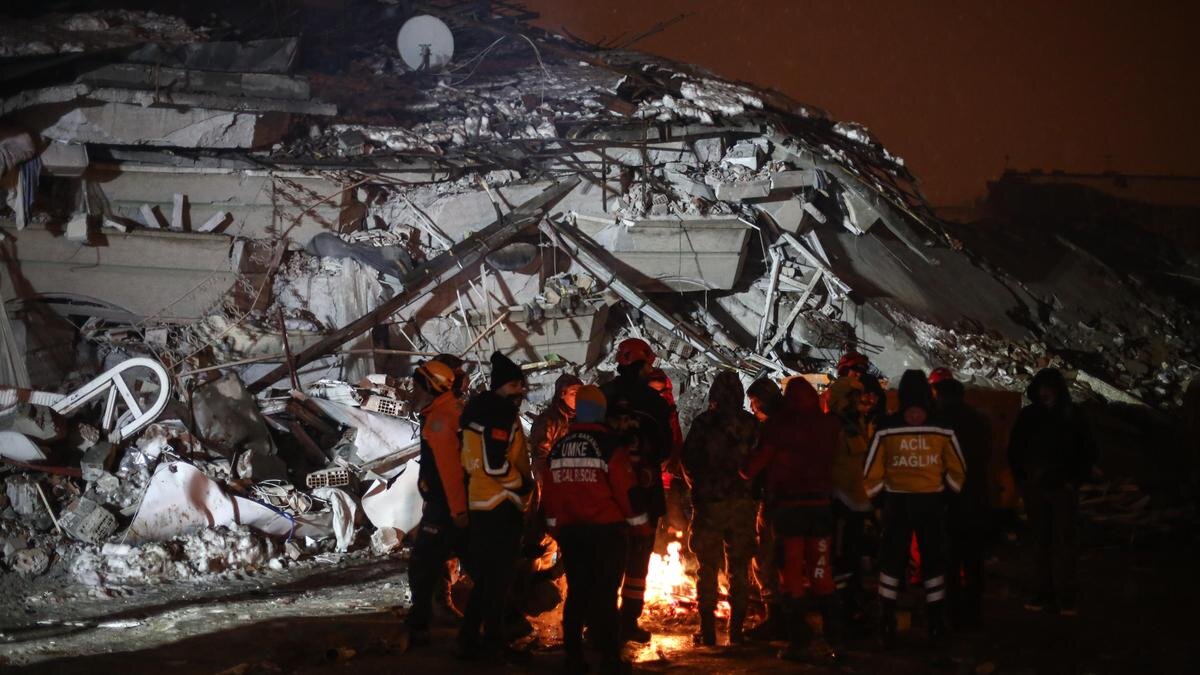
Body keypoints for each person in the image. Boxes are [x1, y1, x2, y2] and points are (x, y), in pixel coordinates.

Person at [542, 385, 647, 674]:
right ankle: (609, 655)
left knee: (577, 593)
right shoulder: (610, 445)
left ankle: (573, 655)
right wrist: (640, 525)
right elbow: (626, 490)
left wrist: (554, 527)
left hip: (572, 532)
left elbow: (549, 494)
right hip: (606, 531)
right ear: (600, 411)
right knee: (605, 593)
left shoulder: (560, 447)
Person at [742, 377, 843, 662]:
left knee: (792, 576)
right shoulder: (829, 425)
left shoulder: (780, 427)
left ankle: (799, 642)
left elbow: (753, 467)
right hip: (821, 508)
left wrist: (745, 468)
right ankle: (835, 640)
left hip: (789, 510)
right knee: (822, 574)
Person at [864, 370, 967, 646]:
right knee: (933, 561)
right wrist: (947, 494)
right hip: (931, 502)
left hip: (896, 503)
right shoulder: (942, 426)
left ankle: (886, 621)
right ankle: (936, 622)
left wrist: (876, 501)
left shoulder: (887, 426)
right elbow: (958, 467)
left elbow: (872, 469)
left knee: (891, 562)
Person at [458, 351, 534, 661]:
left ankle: (468, 640)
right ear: (505, 385)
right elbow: (494, 462)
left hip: (480, 501)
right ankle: (493, 643)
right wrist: (521, 485)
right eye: (517, 385)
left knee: (487, 579)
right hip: (500, 503)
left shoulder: (476, 410)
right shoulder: (499, 413)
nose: (521, 392)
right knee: (499, 580)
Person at [1007, 368, 1097, 616]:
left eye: (1048, 388)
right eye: (1041, 388)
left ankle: (1066, 596)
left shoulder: (1073, 416)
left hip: (1062, 489)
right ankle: (1043, 592)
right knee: (1040, 542)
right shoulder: (1029, 416)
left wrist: (1073, 482)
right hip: (1036, 488)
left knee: (1065, 542)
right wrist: (1023, 481)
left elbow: (1087, 451)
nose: (1044, 393)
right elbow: (1015, 450)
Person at [681, 371, 760, 645]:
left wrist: (699, 484)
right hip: (741, 504)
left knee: (707, 566)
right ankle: (736, 630)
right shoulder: (750, 423)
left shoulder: (704, 422)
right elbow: (759, 461)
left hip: (709, 503)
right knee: (740, 566)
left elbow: (688, 458)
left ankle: (708, 630)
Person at [601, 337, 672, 643]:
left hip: (607, 494)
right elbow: (666, 448)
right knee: (637, 560)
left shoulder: (603, 396)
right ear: (643, 362)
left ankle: (600, 622)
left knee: (607, 559)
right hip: (643, 492)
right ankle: (628, 621)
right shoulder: (655, 403)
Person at [407, 355, 468, 646]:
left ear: (433, 388)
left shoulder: (441, 421)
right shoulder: (444, 412)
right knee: (474, 562)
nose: (413, 391)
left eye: (418, 386)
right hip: (447, 505)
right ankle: (506, 619)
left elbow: (451, 471)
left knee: (422, 564)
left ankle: (419, 625)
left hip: (446, 507)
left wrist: (457, 511)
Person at [931, 369, 992, 628]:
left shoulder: (939, 421)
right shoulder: (980, 420)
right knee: (973, 558)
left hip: (949, 497)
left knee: (951, 558)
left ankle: (953, 611)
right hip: (976, 495)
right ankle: (974, 612)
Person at [829, 372, 885, 631]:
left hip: (857, 502)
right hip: (840, 501)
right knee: (842, 559)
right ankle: (842, 611)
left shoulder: (860, 423)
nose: (862, 400)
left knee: (853, 558)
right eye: (854, 396)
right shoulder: (835, 426)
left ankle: (851, 607)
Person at [744, 376, 786, 641]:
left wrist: (743, 473)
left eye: (755, 403)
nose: (752, 408)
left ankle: (775, 617)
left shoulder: (772, 429)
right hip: (805, 501)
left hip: (775, 500)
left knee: (765, 557)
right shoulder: (800, 423)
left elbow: (753, 467)